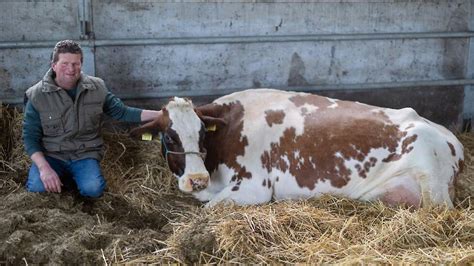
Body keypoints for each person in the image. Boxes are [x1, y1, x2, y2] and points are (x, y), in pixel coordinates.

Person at [23, 40, 161, 198]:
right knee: (37, 188)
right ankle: (61, 178)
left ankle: (71, 180)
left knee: (93, 189)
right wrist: (44, 168)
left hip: (84, 154)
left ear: (81, 65)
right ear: (53, 65)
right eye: (65, 63)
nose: (71, 69)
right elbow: (30, 138)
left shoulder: (97, 88)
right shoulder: (37, 95)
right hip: (52, 155)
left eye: (76, 64)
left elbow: (122, 112)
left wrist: (162, 114)